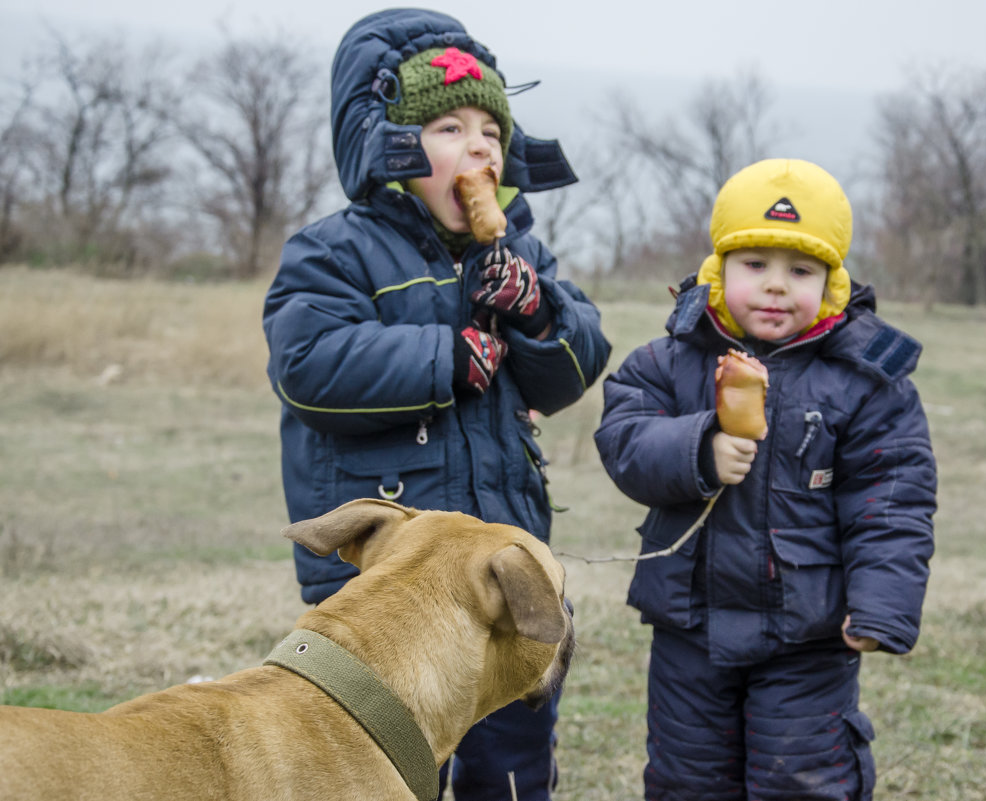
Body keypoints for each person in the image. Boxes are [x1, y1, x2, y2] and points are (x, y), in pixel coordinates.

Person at [262, 9, 611, 800]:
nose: (479, 146)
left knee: (511, 756)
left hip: (500, 571)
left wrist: (535, 312)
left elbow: (577, 361)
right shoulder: (335, 249)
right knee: (376, 758)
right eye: (450, 126)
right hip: (387, 577)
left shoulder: (521, 252)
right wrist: (446, 357)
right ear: (388, 147)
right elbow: (307, 366)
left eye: (492, 129)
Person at [593, 158, 936, 800]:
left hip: (807, 637)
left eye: (800, 271)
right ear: (718, 269)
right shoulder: (668, 360)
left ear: (832, 282)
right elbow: (623, 439)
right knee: (687, 781)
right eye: (756, 266)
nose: (776, 288)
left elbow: (892, 500)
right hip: (689, 629)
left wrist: (883, 606)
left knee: (802, 781)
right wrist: (699, 448)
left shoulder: (866, 382)